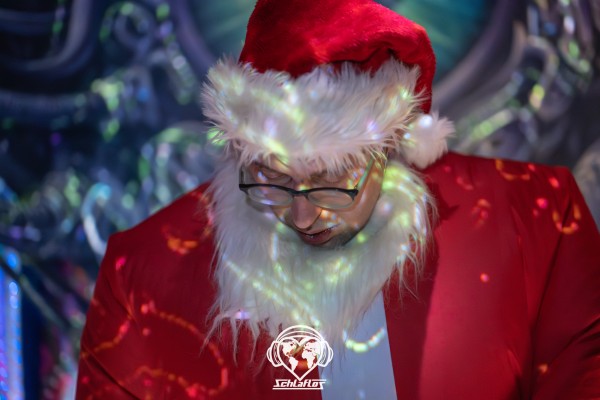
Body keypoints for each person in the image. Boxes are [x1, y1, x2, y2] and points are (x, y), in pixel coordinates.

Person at [75, 0, 600, 399]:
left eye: (332, 179)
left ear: (389, 147)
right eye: (271, 177)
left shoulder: (538, 223)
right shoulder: (142, 275)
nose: (303, 215)